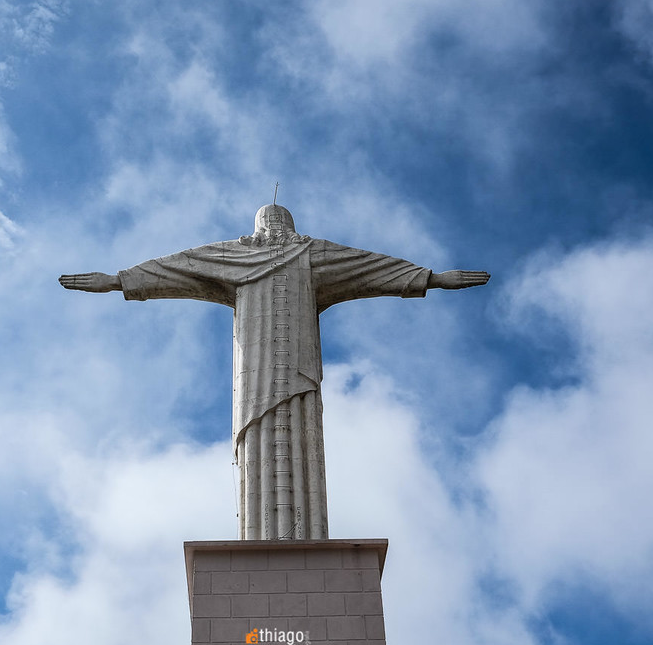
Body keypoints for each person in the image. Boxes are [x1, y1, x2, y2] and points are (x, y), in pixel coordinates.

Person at [60, 204, 488, 540]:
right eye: (270, 221)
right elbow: (179, 267)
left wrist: (427, 278)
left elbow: (369, 267)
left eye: (279, 220)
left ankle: (304, 542)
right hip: (254, 370)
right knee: (259, 441)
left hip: (299, 365)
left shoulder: (313, 252)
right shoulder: (235, 254)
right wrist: (120, 280)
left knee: (298, 435)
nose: (275, 227)